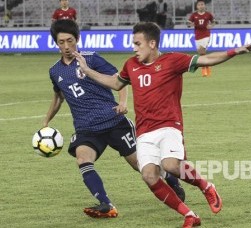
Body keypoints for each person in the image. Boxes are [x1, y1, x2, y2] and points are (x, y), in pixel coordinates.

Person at [73, 22, 251, 228]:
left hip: (169, 125)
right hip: (144, 132)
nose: (134, 48)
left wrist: (236, 51)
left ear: (152, 43)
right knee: (148, 175)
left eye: (137, 43)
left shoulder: (173, 60)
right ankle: (190, 215)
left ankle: (206, 187)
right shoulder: (131, 65)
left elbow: (207, 59)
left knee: (171, 165)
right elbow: (115, 83)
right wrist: (87, 71)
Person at [45, 19, 185, 219]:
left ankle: (170, 177)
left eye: (70, 41)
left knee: (142, 166)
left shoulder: (91, 59)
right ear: (56, 43)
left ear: (77, 39)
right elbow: (59, 97)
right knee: (83, 159)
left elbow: (121, 79)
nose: (66, 46)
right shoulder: (55, 71)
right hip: (86, 128)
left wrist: (123, 103)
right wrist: (46, 121)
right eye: (61, 42)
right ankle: (106, 204)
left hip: (114, 122)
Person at [187, 0, 215, 77]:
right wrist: (190, 24)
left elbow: (214, 21)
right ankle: (207, 66)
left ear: (204, 5)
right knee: (201, 53)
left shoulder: (208, 14)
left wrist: (211, 26)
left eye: (202, 4)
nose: (201, 6)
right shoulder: (194, 15)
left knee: (202, 51)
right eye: (199, 5)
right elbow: (188, 23)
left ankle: (204, 70)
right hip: (197, 35)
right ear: (197, 6)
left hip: (206, 35)